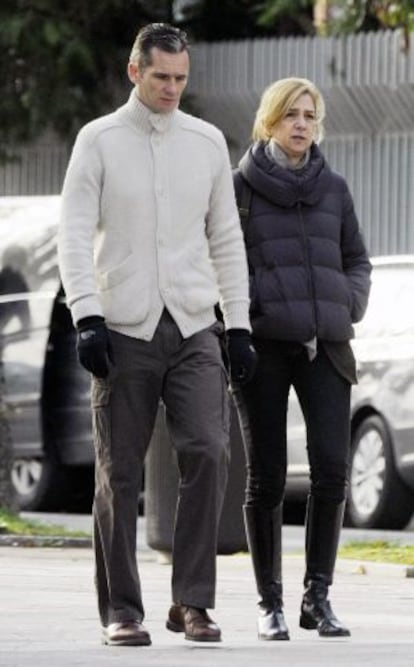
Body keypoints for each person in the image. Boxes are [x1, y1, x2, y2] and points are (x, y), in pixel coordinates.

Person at [58, 22, 256, 647]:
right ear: (134, 71)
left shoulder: (205, 144)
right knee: (118, 473)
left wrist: (240, 323)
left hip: (196, 325)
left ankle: (192, 602)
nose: (172, 88)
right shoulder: (99, 140)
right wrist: (86, 315)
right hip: (122, 327)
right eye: (161, 77)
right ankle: (122, 609)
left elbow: (226, 237)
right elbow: (71, 231)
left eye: (181, 79)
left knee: (209, 450)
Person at [232, 77, 372, 641]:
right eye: (291, 114)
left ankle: (319, 597)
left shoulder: (333, 188)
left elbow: (357, 259)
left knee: (333, 471)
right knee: (265, 478)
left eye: (310, 115)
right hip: (263, 347)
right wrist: (248, 313)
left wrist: (348, 302)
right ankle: (270, 604)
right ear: (270, 120)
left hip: (327, 346)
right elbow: (226, 260)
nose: (301, 124)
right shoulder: (240, 187)